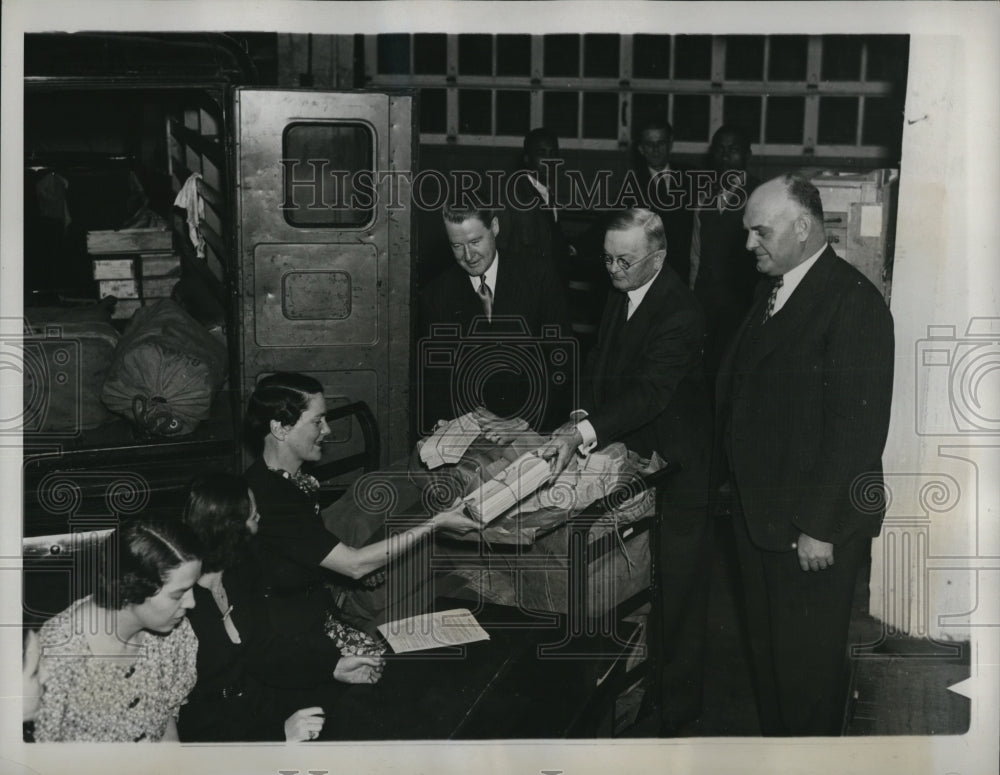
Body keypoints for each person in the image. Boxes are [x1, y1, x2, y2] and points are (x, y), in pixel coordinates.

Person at [717, 173, 894, 736]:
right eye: (747, 232)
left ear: (802, 226)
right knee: (771, 666)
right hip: (763, 516)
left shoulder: (853, 302)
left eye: (759, 231)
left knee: (806, 678)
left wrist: (819, 524)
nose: (749, 245)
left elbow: (857, 431)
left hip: (810, 531)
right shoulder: (775, 288)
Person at [535, 207, 713, 735]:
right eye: (607, 258)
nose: (613, 270)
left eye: (625, 261)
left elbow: (650, 392)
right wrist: (578, 418)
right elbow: (602, 368)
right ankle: (626, 694)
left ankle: (676, 716)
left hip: (680, 463)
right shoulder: (623, 291)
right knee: (631, 584)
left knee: (676, 591)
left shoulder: (680, 311)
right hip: (635, 448)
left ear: (657, 257)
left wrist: (584, 435)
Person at [243, 372, 476, 636]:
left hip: (312, 605)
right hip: (292, 629)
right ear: (279, 428)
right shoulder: (270, 496)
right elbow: (353, 565)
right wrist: (437, 523)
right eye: (317, 421)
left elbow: (304, 542)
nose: (327, 430)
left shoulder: (282, 479)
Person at [178, 473, 385, 742]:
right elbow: (192, 720)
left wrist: (335, 667)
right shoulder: (180, 603)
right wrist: (276, 736)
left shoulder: (237, 576)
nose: (260, 520)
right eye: (253, 517)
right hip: (220, 737)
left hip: (256, 708)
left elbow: (265, 650)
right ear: (229, 529)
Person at [33, 516, 202, 742]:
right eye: (179, 594)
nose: (191, 603)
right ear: (132, 588)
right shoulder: (57, 652)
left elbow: (166, 725)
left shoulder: (173, 634)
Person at [419, 203, 573, 433]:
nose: (468, 256)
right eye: (457, 246)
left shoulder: (539, 276)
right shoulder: (437, 294)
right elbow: (437, 379)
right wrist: (442, 423)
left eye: (475, 242)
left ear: (495, 227)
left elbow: (561, 359)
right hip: (473, 428)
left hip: (534, 424)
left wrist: (523, 420)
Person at [689, 125, 761, 391]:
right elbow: (696, 251)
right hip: (706, 298)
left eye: (734, 150)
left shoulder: (760, 194)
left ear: (747, 154)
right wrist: (692, 293)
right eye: (720, 149)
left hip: (743, 300)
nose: (726, 155)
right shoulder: (703, 194)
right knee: (704, 371)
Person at [496, 127, 572, 279]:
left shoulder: (547, 191)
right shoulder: (514, 197)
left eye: (553, 153)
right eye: (541, 154)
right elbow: (501, 250)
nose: (549, 161)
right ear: (527, 159)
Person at [630, 119, 693, 283]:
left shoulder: (692, 178)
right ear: (641, 149)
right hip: (648, 275)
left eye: (661, 143)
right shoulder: (631, 185)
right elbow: (609, 222)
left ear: (671, 144)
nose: (656, 149)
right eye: (649, 144)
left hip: (684, 273)